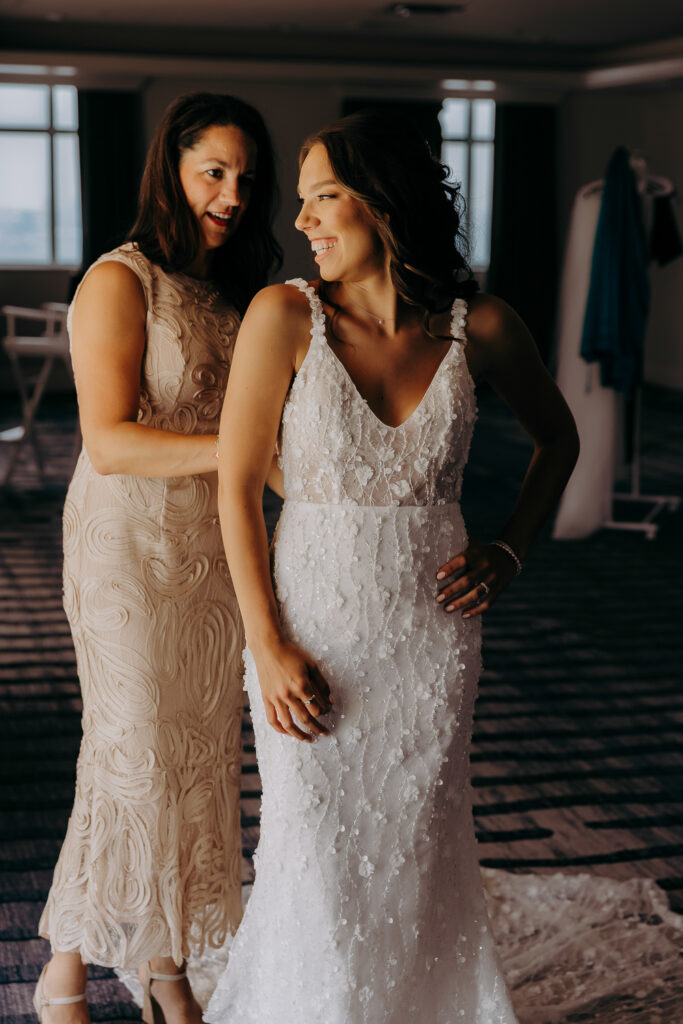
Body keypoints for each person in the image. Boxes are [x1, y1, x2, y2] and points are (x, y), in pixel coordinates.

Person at [205, 110, 579, 1024]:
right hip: (311, 628)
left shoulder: (481, 326)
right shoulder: (281, 316)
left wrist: (509, 548)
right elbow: (237, 486)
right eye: (301, 203)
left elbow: (557, 440)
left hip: (432, 637)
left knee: (417, 832)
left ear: (382, 202)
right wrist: (267, 645)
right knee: (314, 837)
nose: (303, 222)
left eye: (322, 198)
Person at [33, 92, 282, 1024]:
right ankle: (70, 967)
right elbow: (107, 440)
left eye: (244, 177)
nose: (231, 192)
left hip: (212, 552)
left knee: (193, 761)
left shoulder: (229, 294)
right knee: (130, 751)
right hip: (125, 548)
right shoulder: (118, 280)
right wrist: (246, 453)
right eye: (213, 170)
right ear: (171, 169)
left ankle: (165, 963)